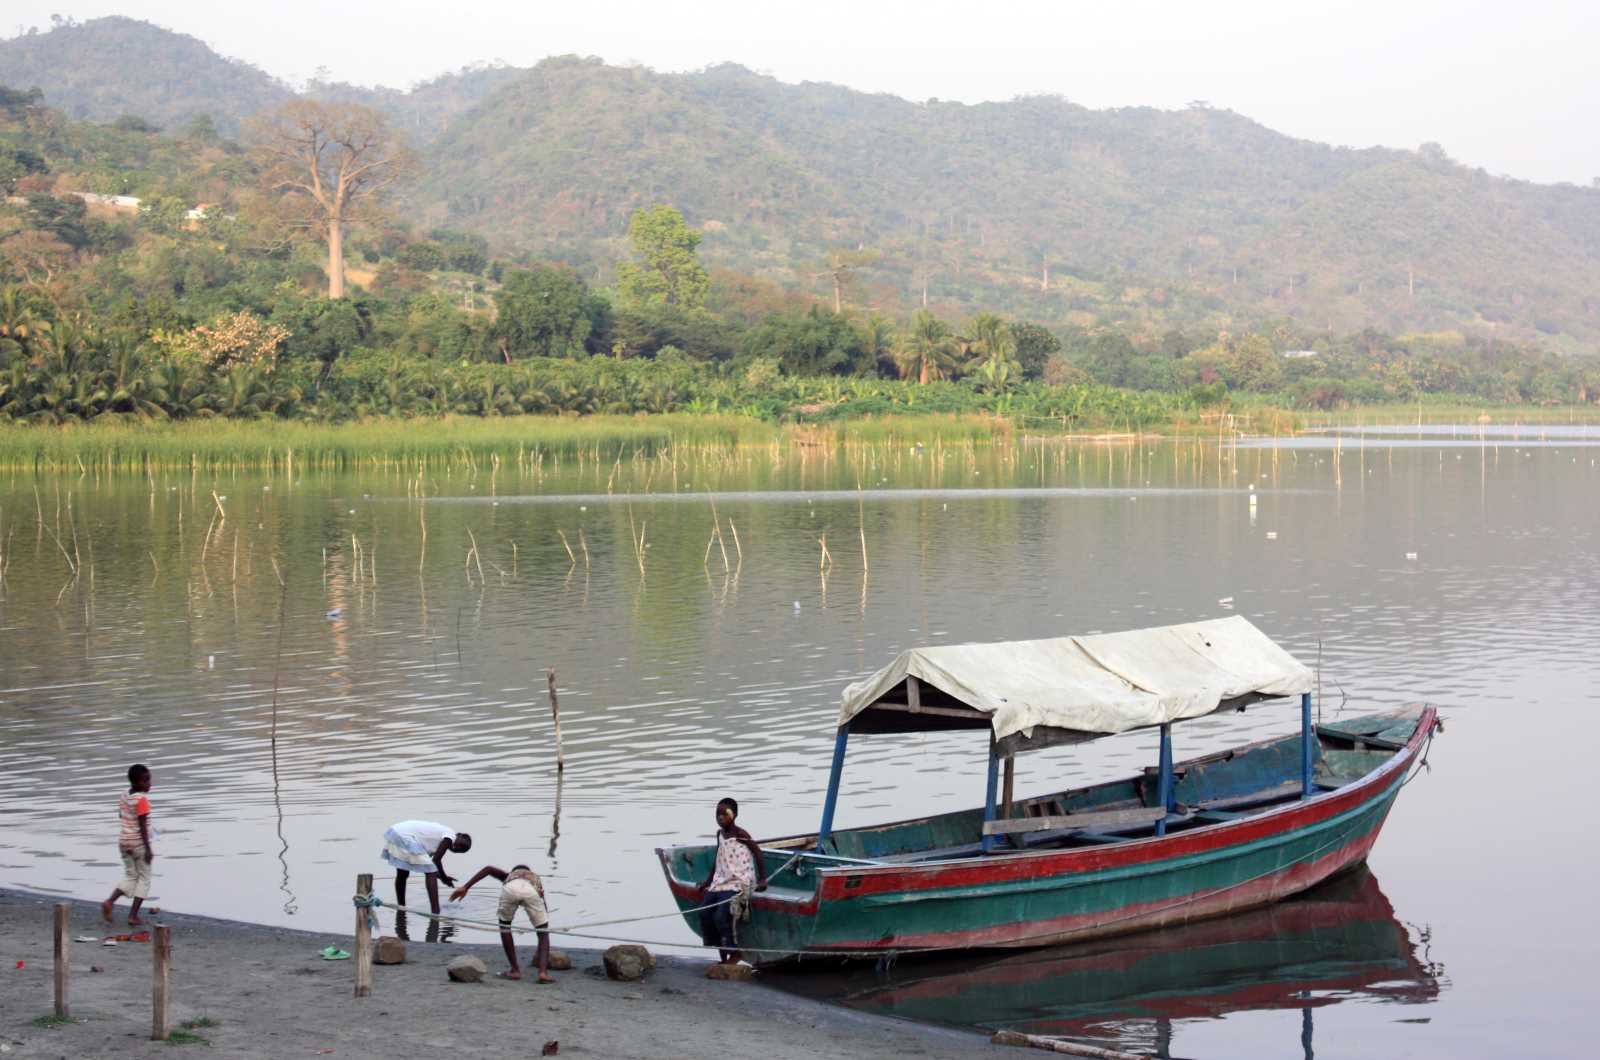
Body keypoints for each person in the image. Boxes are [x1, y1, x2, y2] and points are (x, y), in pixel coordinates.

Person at [693, 797, 768, 969]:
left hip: (738, 880)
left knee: (721, 915)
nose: (720, 817)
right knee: (705, 912)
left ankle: (734, 952)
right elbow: (718, 858)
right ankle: (721, 951)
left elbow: (757, 853)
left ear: (734, 815)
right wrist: (707, 882)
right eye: (717, 814)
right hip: (721, 880)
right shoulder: (720, 834)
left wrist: (762, 878)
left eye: (724, 814)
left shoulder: (741, 834)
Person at [451, 863, 553, 982]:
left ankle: (515, 970)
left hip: (510, 889)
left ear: (514, 871)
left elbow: (488, 869)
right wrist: (544, 926)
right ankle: (543, 973)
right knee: (543, 933)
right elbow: (542, 902)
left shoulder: (509, 876)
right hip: (532, 891)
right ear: (528, 871)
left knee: (505, 927)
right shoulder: (535, 878)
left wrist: (466, 887)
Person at [380, 820, 471, 915]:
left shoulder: (439, 839)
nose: (457, 848)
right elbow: (435, 861)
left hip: (397, 831)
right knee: (430, 872)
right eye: (460, 844)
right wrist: (444, 877)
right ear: (458, 835)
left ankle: (401, 907)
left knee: (403, 873)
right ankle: (436, 912)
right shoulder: (450, 837)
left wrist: (441, 877)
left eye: (461, 850)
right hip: (405, 835)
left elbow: (429, 864)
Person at [101, 764, 154, 926]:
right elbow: (142, 825)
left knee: (131, 876)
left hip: (124, 841)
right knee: (144, 878)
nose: (149, 783)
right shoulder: (142, 800)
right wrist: (148, 849)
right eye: (146, 781)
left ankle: (110, 901)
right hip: (139, 843)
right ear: (137, 782)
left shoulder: (124, 795)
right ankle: (133, 915)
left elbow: (121, 815)